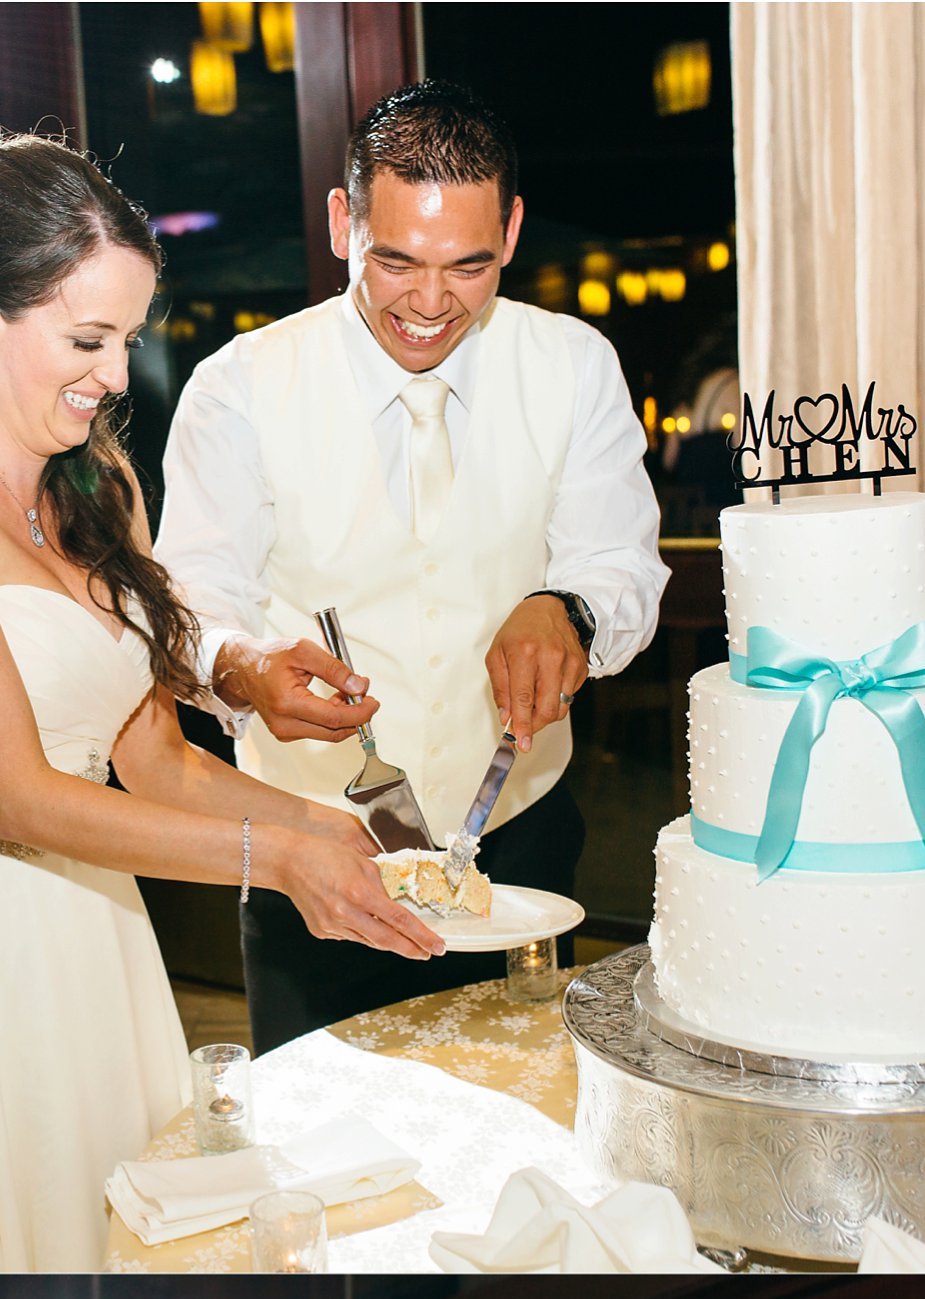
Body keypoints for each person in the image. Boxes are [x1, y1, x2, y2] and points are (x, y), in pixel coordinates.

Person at [0, 135, 440, 1273]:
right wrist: (277, 861)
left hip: (87, 929)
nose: (114, 376)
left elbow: (152, 761)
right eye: (85, 339)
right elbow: (14, 797)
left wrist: (332, 831)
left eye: (128, 340)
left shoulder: (97, 482)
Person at [156, 82, 666, 1053]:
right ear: (343, 220)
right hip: (315, 848)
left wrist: (567, 611)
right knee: (328, 1156)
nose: (430, 303)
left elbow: (619, 568)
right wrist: (238, 667)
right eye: (395, 261)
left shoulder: (573, 366)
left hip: (520, 835)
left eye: (467, 266)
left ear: (512, 231)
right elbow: (188, 605)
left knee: (522, 1134)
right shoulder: (240, 389)